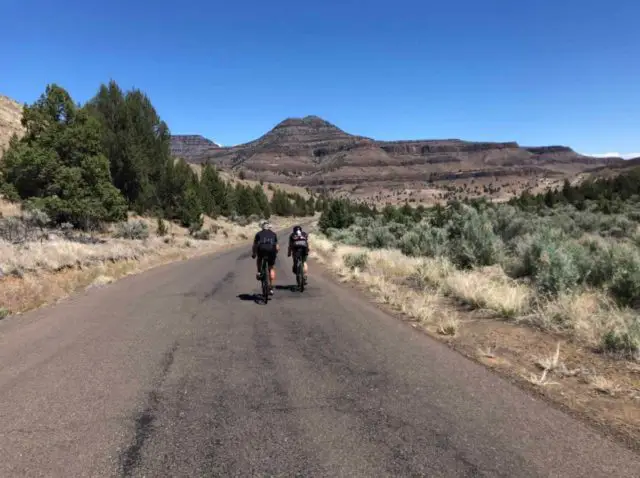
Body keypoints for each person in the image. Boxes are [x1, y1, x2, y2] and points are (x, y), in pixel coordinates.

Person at [252, 220, 279, 295]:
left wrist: (254, 253)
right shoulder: (273, 234)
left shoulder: (258, 234)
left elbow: (255, 245)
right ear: (269, 227)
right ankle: (270, 287)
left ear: (262, 227)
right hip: (271, 251)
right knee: (271, 267)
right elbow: (277, 247)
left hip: (262, 250)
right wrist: (275, 253)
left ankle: (259, 272)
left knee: (259, 259)